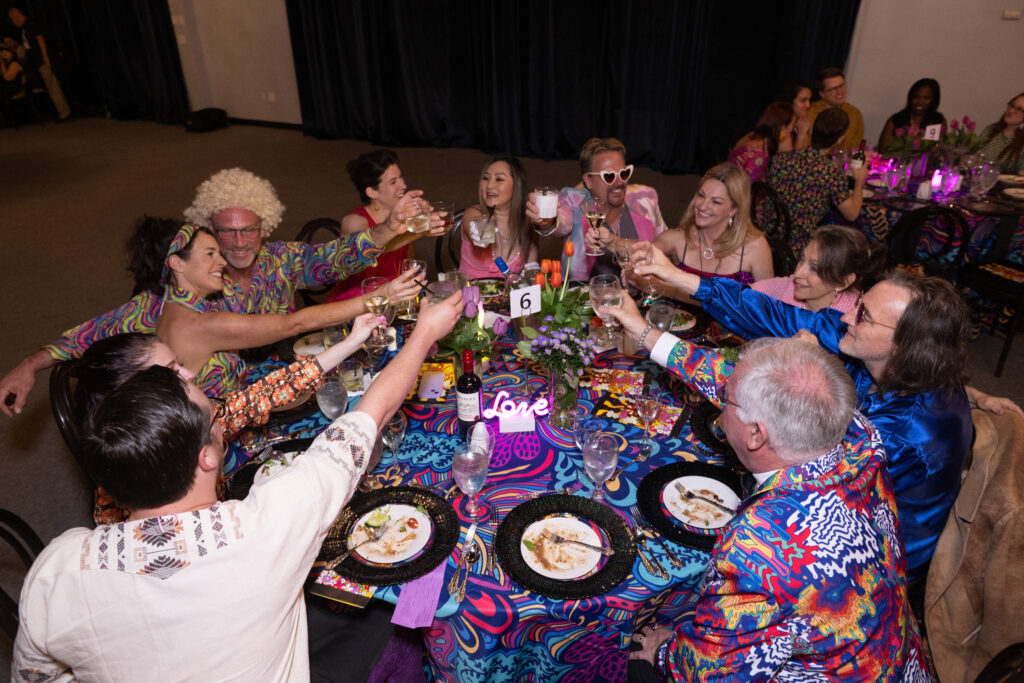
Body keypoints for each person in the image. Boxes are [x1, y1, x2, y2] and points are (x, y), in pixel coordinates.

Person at [11, 289, 464, 682]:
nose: (189, 373)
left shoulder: (55, 570)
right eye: (173, 377)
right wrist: (424, 335)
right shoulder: (269, 525)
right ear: (208, 455)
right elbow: (371, 415)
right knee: (395, 617)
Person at [625, 241, 976, 585]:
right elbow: (774, 314)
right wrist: (674, 275)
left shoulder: (902, 432)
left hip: (867, 566)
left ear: (902, 345)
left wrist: (814, 364)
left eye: (864, 314)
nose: (848, 316)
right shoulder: (885, 353)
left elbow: (780, 410)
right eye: (860, 304)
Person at [596, 315, 928, 678]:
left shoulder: (757, 547)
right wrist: (645, 332)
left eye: (726, 400)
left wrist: (662, 652)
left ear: (756, 435)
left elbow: (714, 671)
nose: (721, 399)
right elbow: (736, 377)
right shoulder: (860, 437)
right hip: (898, 657)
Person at [0, 168, 439, 415]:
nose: (238, 243)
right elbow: (91, 333)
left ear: (263, 228)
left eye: (249, 230)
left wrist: (387, 229)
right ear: (209, 234)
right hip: (226, 416)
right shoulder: (175, 301)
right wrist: (31, 364)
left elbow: (336, 258)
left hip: (288, 379)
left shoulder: (281, 259)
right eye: (224, 235)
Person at [75, 312, 378, 524]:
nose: (190, 373)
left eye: (179, 364)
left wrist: (352, 342)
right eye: (171, 372)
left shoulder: (196, 418)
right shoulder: (119, 498)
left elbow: (266, 392)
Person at [148, 222, 417, 397]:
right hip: (213, 433)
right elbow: (294, 324)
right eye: (209, 254)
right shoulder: (199, 324)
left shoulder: (170, 309)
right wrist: (381, 296)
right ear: (177, 264)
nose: (221, 260)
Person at [525, 137, 667, 282]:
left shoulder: (645, 199)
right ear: (588, 180)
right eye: (609, 176)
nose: (619, 182)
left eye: (624, 173)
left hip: (643, 296)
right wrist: (546, 220)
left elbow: (666, 247)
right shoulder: (572, 199)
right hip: (585, 297)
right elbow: (559, 222)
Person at [647, 163, 772, 292]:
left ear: (734, 209)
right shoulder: (677, 238)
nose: (702, 206)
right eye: (701, 195)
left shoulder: (755, 246)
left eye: (715, 201)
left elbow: (769, 304)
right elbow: (645, 254)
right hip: (678, 313)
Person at [766, 107, 868, 249]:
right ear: (840, 139)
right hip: (797, 247)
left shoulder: (781, 159)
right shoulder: (830, 173)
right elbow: (852, 214)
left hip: (766, 238)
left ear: (813, 130)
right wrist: (859, 180)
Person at [326, 149, 418, 302]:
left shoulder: (402, 217)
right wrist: (416, 232)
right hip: (359, 301)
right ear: (372, 192)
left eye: (401, 177)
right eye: (393, 182)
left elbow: (408, 264)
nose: (404, 185)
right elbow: (368, 253)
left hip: (395, 296)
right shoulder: (355, 221)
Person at [752, 225, 885, 313]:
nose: (797, 273)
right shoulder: (790, 287)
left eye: (814, 268)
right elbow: (742, 293)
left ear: (844, 281)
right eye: (802, 259)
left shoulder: (850, 320)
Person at [461, 156, 538, 279]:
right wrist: (476, 230)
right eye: (485, 178)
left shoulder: (528, 222)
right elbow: (473, 224)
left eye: (499, 179)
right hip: (471, 296)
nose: (489, 185)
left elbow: (531, 268)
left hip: (509, 297)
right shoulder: (473, 213)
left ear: (517, 186)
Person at [6, 6, 70, 120]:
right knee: (50, 86)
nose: (13, 22)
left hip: (43, 60)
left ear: (16, 16)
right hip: (38, 62)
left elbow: (41, 39)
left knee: (53, 86)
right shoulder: (24, 29)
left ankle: (64, 113)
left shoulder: (31, 24)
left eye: (12, 18)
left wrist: (45, 57)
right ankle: (61, 111)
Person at [727, 102, 796, 183]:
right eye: (793, 125)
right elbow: (752, 189)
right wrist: (787, 155)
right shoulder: (760, 154)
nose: (793, 129)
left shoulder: (755, 135)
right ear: (783, 128)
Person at [878, 78, 947, 153]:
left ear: (933, 100)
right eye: (916, 97)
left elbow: (936, 151)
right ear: (910, 97)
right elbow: (883, 149)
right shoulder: (896, 119)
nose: (920, 102)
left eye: (926, 98)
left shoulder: (937, 121)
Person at [807, 67, 864, 153]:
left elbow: (854, 148)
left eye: (842, 85)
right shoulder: (810, 112)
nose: (840, 92)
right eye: (834, 89)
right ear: (822, 94)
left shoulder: (855, 114)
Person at [978, 92, 1024, 174]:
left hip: (1006, 186)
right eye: (1012, 105)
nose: (1011, 110)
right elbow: (974, 155)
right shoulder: (991, 130)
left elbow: (1021, 176)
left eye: (1019, 109)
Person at [778, 80, 812, 150]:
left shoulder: (801, 123)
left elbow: (806, 156)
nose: (808, 105)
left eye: (809, 100)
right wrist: (801, 134)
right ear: (790, 101)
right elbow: (793, 160)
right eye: (803, 100)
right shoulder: (779, 127)